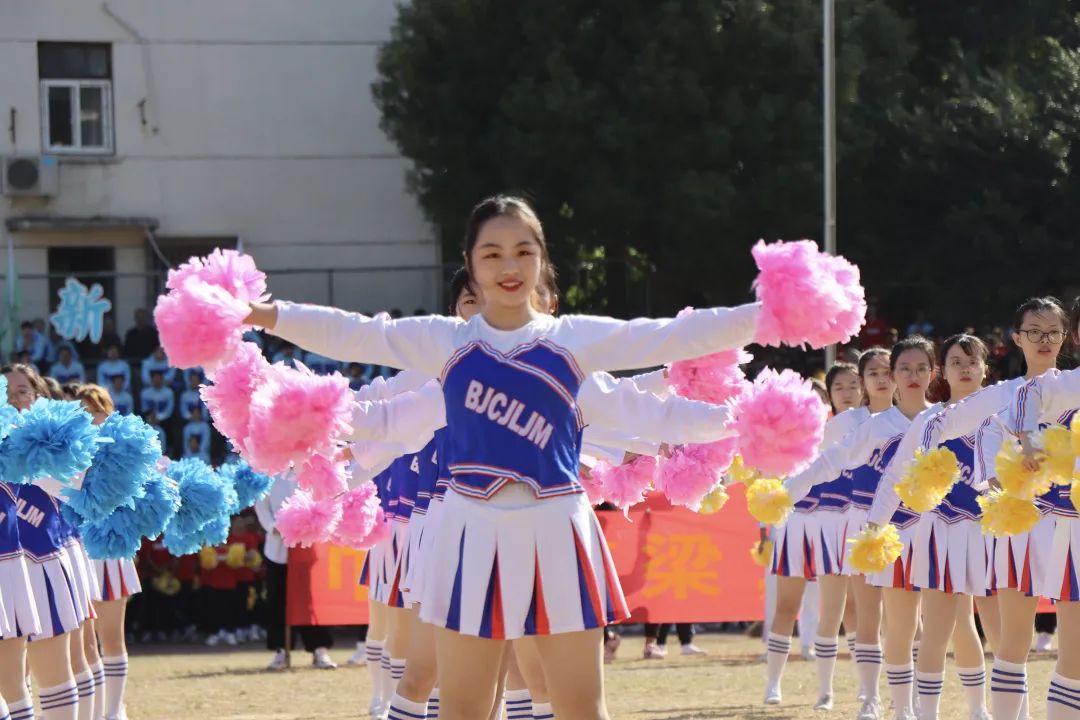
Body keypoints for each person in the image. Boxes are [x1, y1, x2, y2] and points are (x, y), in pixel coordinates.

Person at [244, 195, 778, 720]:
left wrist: (763, 347)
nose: (509, 266)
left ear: (542, 260)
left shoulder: (572, 342)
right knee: (464, 710)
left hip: (558, 530)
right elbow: (357, 336)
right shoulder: (447, 343)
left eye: (524, 251)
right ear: (470, 265)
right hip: (468, 532)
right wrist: (261, 314)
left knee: (581, 709)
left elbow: (670, 352)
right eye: (492, 253)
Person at [780, 339, 935, 719]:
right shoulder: (856, 424)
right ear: (864, 379)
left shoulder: (938, 419)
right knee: (867, 614)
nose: (883, 379)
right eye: (875, 373)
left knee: (914, 620)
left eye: (887, 371)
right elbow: (820, 461)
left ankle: (914, 698)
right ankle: (870, 697)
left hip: (922, 527)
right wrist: (784, 490)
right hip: (867, 526)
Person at [867, 335, 994, 720]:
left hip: (992, 536)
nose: (966, 369)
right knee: (938, 630)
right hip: (941, 534)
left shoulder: (1002, 414)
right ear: (943, 372)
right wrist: (875, 526)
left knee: (992, 632)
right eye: (956, 362)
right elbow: (895, 475)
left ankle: (986, 710)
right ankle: (927, 713)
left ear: (985, 369)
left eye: (972, 362)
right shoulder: (930, 420)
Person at [75, 384, 142, 720]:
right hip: (76, 552)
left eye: (96, 410)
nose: (91, 418)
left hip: (111, 552)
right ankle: (95, 712)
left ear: (109, 412)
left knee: (112, 638)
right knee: (86, 645)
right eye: (83, 412)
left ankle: (114, 711)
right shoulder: (69, 452)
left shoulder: (124, 450)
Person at [253, 472, 336, 669]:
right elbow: (261, 503)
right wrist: (273, 527)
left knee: (311, 599)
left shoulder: (309, 468)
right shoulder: (268, 472)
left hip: (307, 545)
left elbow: (322, 500)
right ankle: (281, 649)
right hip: (277, 546)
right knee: (277, 600)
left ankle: (319, 649)